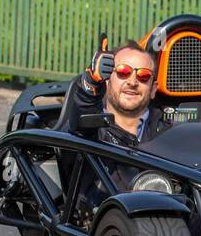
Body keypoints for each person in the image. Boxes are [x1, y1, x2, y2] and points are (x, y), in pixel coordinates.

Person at [55, 39, 173, 217]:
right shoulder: (90, 128)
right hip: (105, 230)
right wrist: (90, 85)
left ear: (153, 88)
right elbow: (80, 120)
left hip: (169, 226)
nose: (132, 81)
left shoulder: (168, 130)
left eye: (143, 76)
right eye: (123, 72)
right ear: (107, 80)